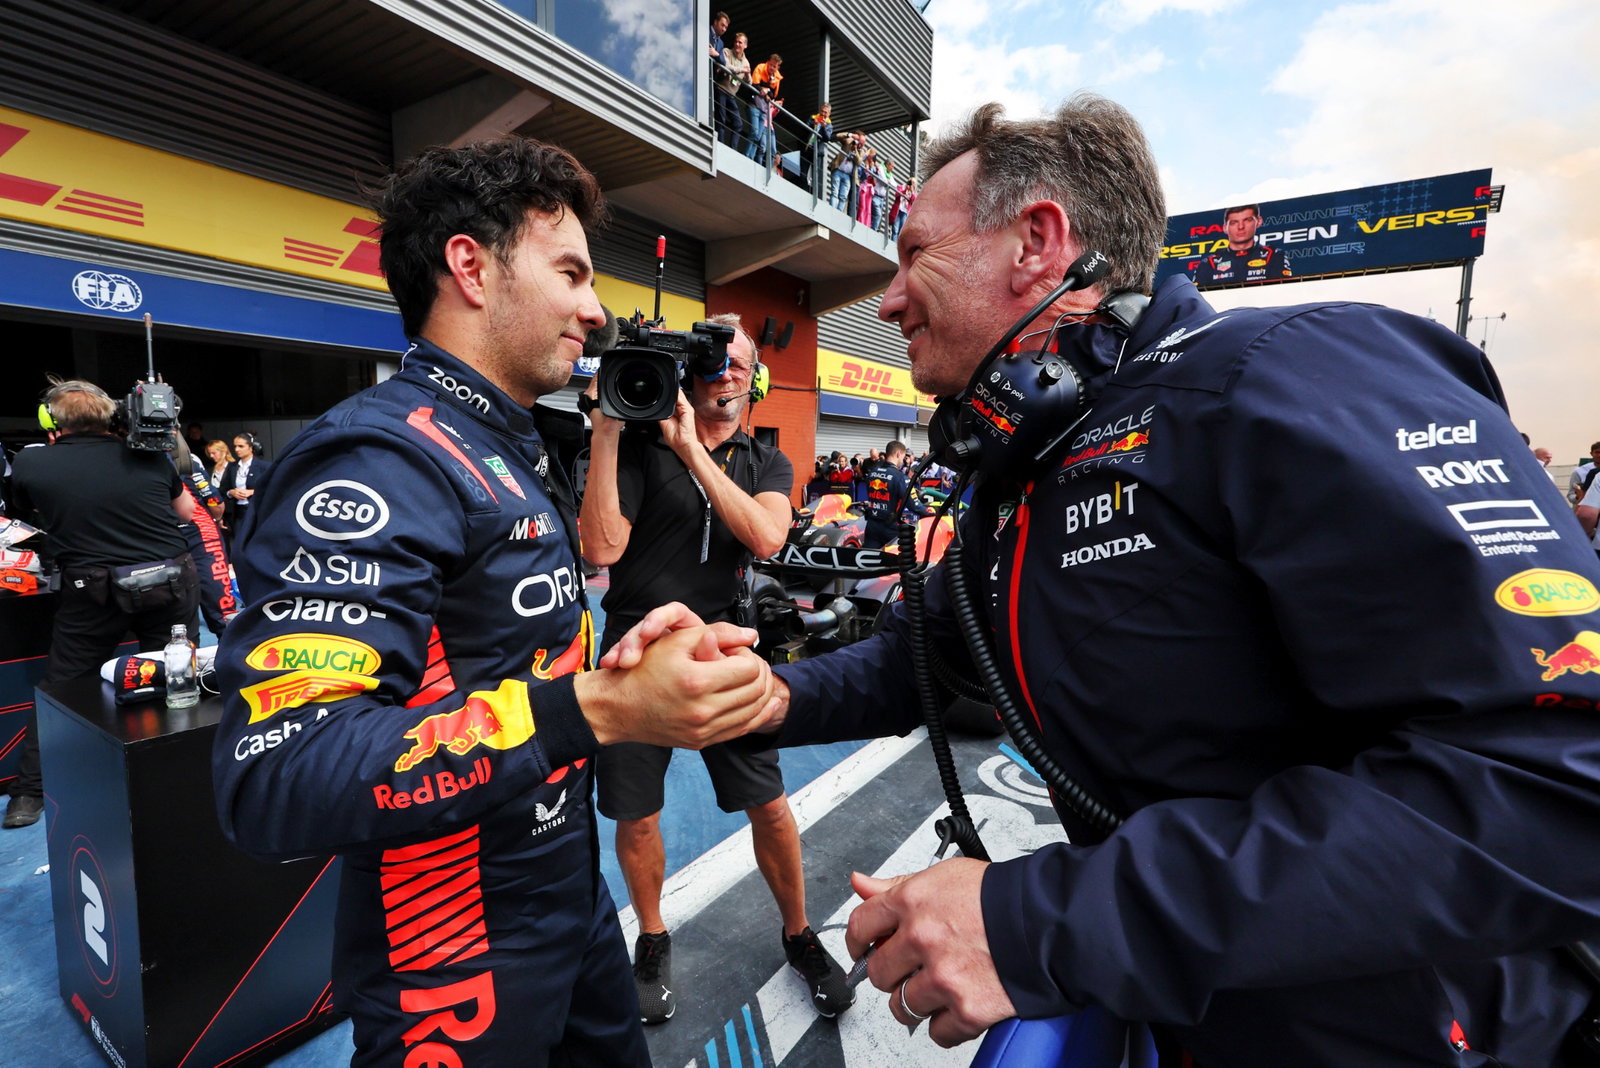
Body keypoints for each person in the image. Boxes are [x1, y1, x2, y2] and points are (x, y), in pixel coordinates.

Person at [604, 94, 1600, 1065]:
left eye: (915, 255)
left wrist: (1040, 924)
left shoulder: (1289, 373)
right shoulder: (1025, 472)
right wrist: (761, 694)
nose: (890, 298)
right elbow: (926, 661)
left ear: (1037, 242)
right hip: (1192, 1013)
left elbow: (1550, 786)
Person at [210, 136, 777, 1066]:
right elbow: (277, 774)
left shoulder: (503, 442)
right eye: (571, 273)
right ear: (470, 267)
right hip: (451, 949)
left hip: (567, 894)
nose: (595, 310)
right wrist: (596, 708)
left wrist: (623, 662)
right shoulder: (383, 457)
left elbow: (503, 660)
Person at [580, 314, 853, 1024]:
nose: (723, 373)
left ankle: (799, 934)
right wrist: (607, 430)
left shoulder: (767, 463)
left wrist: (692, 451)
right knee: (637, 815)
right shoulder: (636, 445)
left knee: (770, 804)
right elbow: (601, 550)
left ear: (755, 379)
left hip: (724, 645)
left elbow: (765, 536)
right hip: (634, 652)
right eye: (710, 361)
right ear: (688, 374)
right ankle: (652, 937)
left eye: (737, 363)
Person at [5, 379, 199, 829]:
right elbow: (186, 513)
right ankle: (182, 776)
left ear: (52, 421)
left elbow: (25, 511)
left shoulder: (32, 461)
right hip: (168, 583)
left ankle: (28, 795)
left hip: (91, 592)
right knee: (177, 681)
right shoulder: (149, 456)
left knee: (63, 687)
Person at [1189, 203, 1292, 286]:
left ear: (1259, 221)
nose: (1241, 227)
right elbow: (1197, 299)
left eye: (1247, 220)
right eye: (1234, 223)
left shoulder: (1274, 255)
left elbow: (1282, 291)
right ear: (1225, 228)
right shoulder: (1208, 263)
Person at [858, 440, 925, 549]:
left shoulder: (872, 473)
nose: (903, 460)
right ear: (898, 454)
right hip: (889, 527)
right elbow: (914, 505)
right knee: (893, 557)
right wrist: (931, 513)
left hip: (871, 525)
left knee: (869, 557)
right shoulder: (900, 477)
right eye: (903, 457)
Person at [217, 432, 271, 550]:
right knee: (240, 543)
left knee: (257, 542)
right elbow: (223, 489)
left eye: (241, 446)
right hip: (238, 512)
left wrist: (252, 492)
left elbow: (273, 487)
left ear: (251, 447)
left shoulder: (264, 466)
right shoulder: (232, 467)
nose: (237, 449)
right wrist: (231, 492)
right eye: (235, 446)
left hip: (257, 510)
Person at [718, 30, 751, 153]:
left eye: (740, 42)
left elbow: (749, 82)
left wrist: (747, 75)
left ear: (745, 45)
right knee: (721, 119)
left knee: (738, 124)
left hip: (731, 94)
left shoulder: (746, 62)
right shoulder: (727, 51)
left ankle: (733, 149)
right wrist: (741, 69)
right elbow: (726, 66)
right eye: (736, 42)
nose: (737, 44)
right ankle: (720, 146)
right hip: (721, 89)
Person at [748, 54, 783, 165]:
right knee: (755, 132)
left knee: (758, 137)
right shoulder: (760, 67)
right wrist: (764, 90)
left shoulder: (776, 78)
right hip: (754, 105)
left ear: (778, 67)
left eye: (774, 66)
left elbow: (773, 95)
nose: (772, 68)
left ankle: (750, 157)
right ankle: (747, 156)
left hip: (764, 110)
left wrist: (767, 91)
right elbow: (754, 84)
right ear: (768, 62)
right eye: (771, 65)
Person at [801, 103, 835, 196]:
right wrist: (814, 124)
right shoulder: (813, 118)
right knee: (803, 172)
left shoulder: (829, 125)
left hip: (817, 151)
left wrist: (823, 127)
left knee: (815, 174)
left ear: (829, 114)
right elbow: (805, 128)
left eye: (825, 112)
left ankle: (814, 195)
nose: (823, 114)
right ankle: (804, 191)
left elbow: (827, 138)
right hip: (808, 147)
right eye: (822, 111)